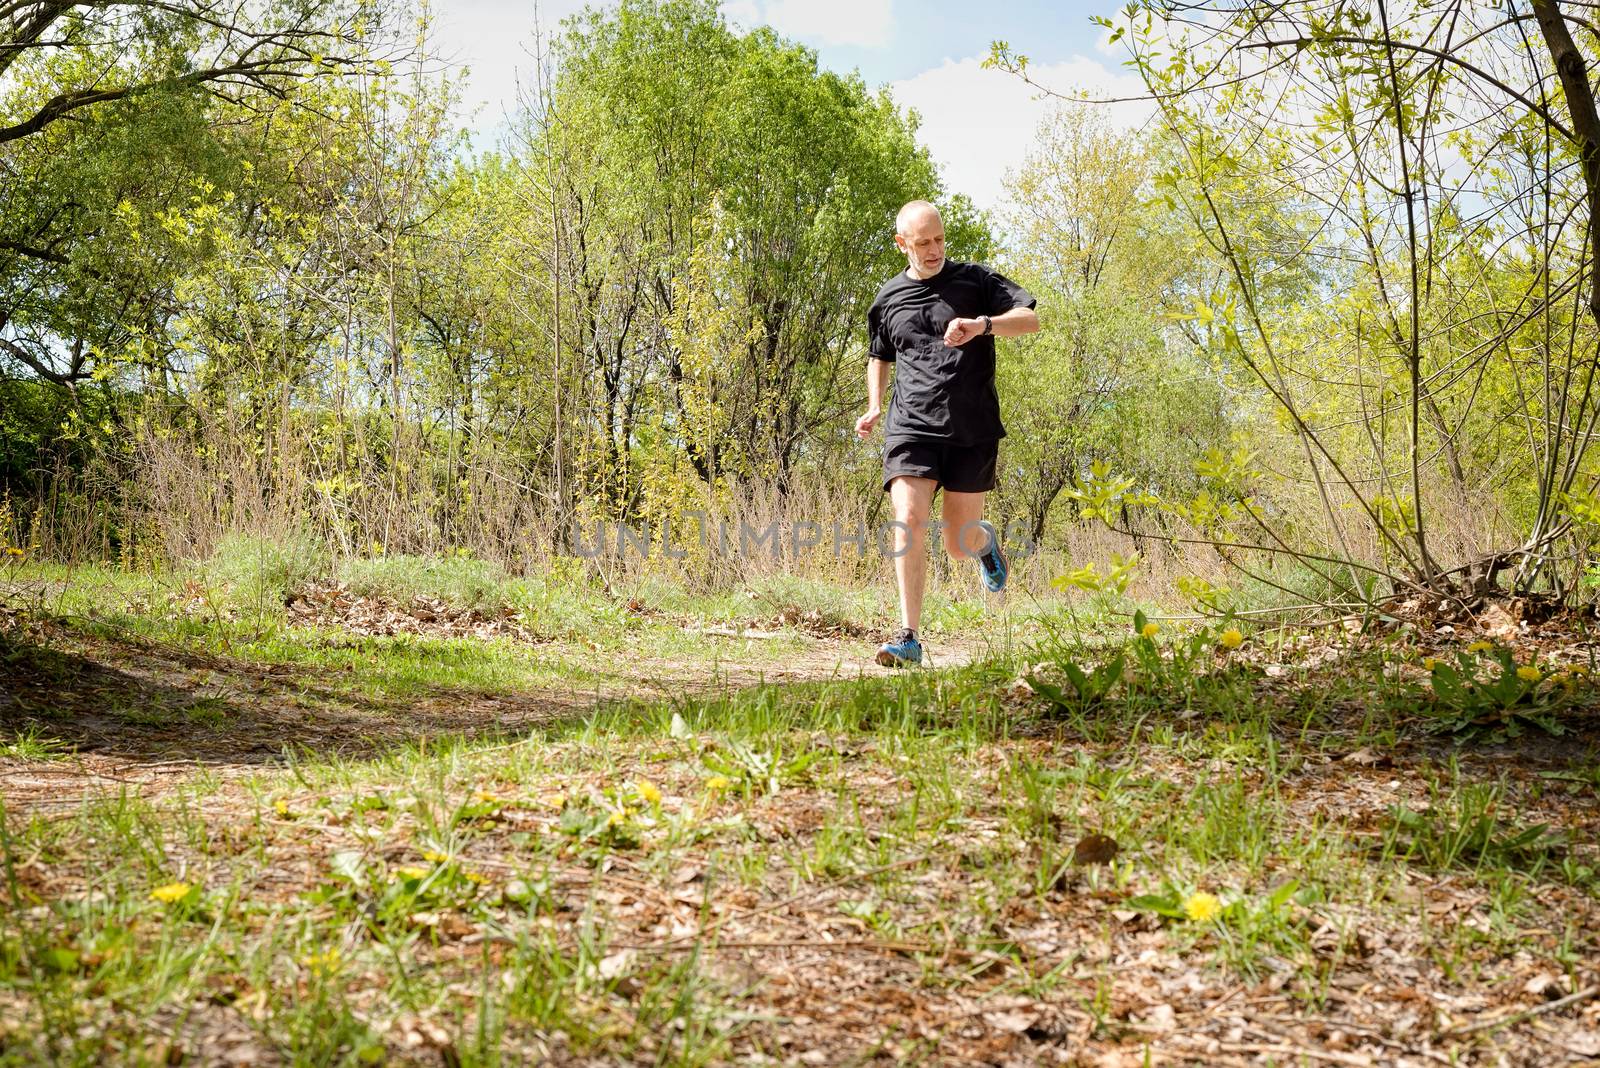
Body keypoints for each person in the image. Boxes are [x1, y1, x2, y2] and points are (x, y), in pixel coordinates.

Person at [855, 200, 1041, 667]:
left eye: (939, 239)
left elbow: (1030, 320)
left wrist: (983, 326)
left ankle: (984, 545)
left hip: (971, 425)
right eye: (923, 243)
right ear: (902, 244)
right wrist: (876, 404)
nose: (934, 249)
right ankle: (908, 637)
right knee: (910, 518)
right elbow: (879, 354)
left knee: (959, 543)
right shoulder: (888, 298)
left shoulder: (976, 281)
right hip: (910, 426)